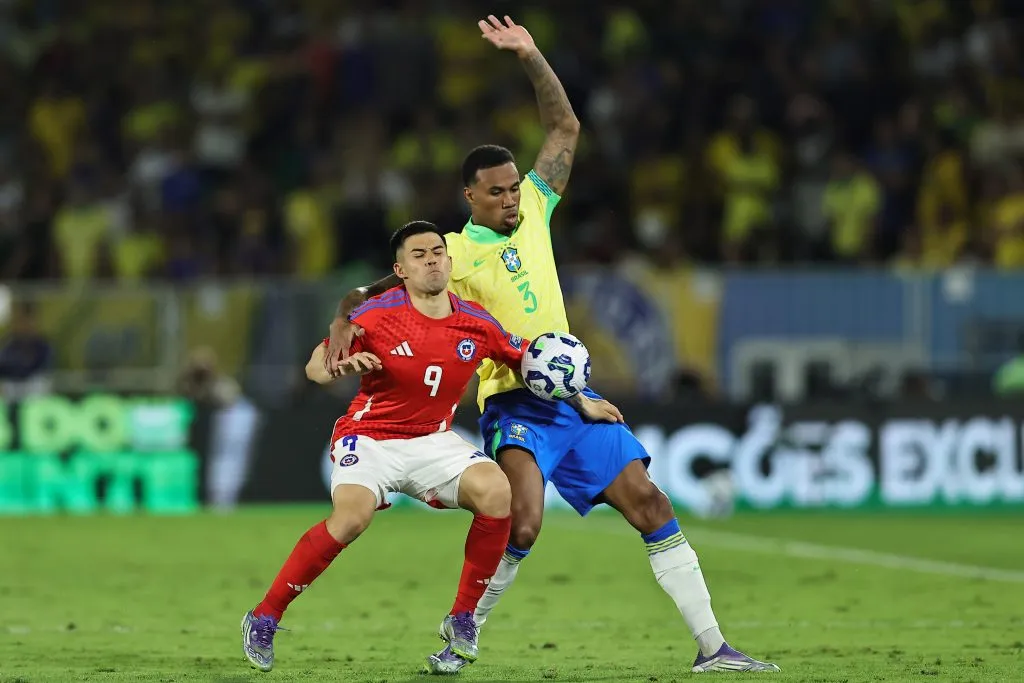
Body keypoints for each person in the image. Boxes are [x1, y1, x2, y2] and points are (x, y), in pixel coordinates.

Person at [325, 16, 779, 675]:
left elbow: (564, 130)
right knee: (525, 523)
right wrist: (347, 311)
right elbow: (381, 288)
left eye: (514, 187)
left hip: (573, 397)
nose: (511, 198)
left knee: (651, 503)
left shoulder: (537, 207)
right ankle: (460, 637)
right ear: (470, 196)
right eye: (498, 191)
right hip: (512, 400)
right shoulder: (449, 253)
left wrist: (533, 55)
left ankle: (714, 648)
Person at [242, 221, 537, 672]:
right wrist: (339, 366)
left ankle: (463, 619)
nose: (432, 259)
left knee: (497, 492)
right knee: (352, 517)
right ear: (400, 269)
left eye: (438, 251)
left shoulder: (477, 323)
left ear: (450, 261)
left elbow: (533, 361)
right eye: (418, 255)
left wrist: (583, 398)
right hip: (371, 437)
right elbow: (313, 370)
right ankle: (265, 616)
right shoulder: (378, 313)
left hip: (433, 441)